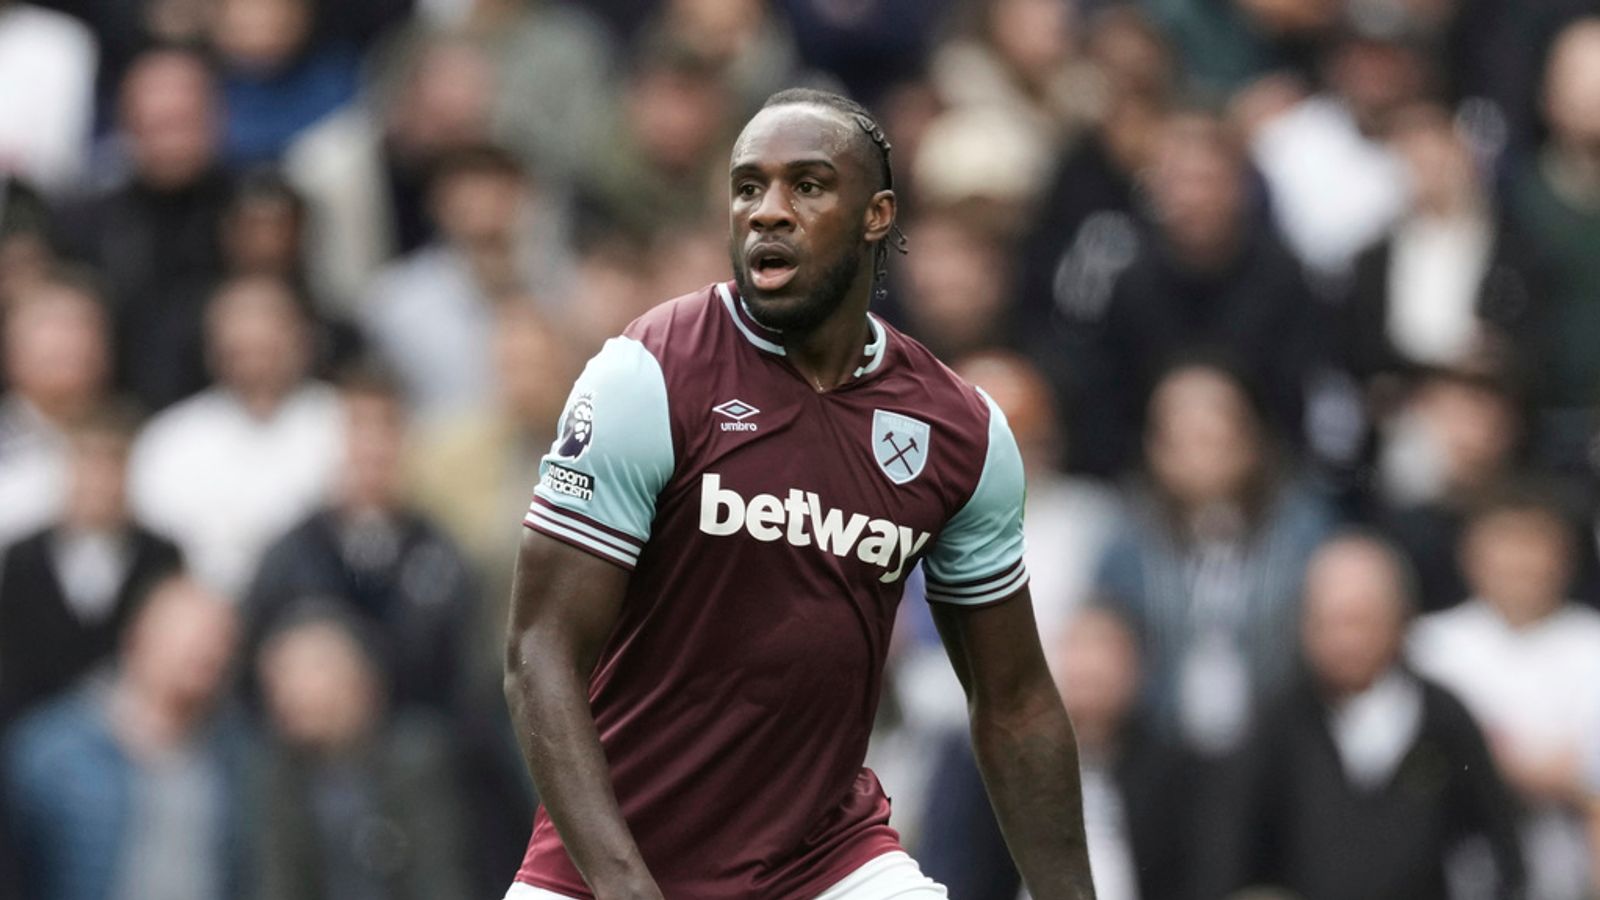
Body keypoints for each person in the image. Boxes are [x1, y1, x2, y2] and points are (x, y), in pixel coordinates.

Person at [503, 88, 1094, 899]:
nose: (767, 212)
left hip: (824, 863)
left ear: (877, 214)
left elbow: (1015, 700)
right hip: (603, 869)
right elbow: (538, 653)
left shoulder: (961, 430)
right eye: (748, 187)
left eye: (807, 186)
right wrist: (624, 887)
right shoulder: (649, 375)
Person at [1197, 534, 1525, 899]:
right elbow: (1226, 852)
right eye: (1329, 622)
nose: (1346, 641)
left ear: (1401, 619)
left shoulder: (1444, 717)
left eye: (1361, 621)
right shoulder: (1277, 722)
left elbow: (1494, 845)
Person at [3, 575, 248, 900]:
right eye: (186, 635)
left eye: (219, 639)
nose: (205, 651)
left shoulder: (237, 756)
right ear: (136, 637)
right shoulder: (48, 751)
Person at [1409, 490, 1600, 900]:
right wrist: (1536, 770)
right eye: (1506, 542)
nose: (1521, 562)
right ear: (1471, 553)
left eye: (1536, 543)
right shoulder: (1428, 647)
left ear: (1567, 554)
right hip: (1449, 875)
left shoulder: (1592, 644)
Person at [0, 406, 183, 729]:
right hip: (30, 723)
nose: (98, 482)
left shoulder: (160, 556)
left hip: (133, 727)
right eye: (87, 464)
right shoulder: (24, 556)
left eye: (110, 465)